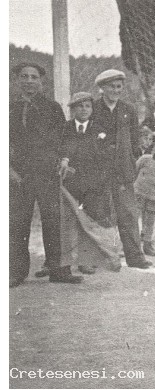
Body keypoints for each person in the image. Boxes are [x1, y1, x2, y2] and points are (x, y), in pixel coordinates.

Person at [9, 62, 84, 286]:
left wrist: (64, 159)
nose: (29, 80)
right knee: (18, 223)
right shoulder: (9, 108)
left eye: (34, 77)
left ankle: (59, 270)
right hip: (19, 175)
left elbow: (65, 139)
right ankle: (15, 272)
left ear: (41, 82)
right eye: (25, 76)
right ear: (17, 80)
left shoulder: (52, 108)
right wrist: (9, 169)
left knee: (54, 221)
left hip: (48, 172)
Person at [90, 69, 152, 269]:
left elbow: (134, 140)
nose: (116, 90)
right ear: (102, 88)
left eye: (119, 87)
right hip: (99, 170)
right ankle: (99, 257)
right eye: (111, 87)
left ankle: (135, 256)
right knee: (99, 213)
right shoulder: (93, 109)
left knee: (128, 213)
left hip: (123, 170)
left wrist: (131, 160)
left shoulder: (128, 109)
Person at [59, 91, 116, 275]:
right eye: (79, 106)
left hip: (92, 183)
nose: (84, 109)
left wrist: (100, 178)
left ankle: (86, 260)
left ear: (92, 109)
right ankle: (65, 260)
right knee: (69, 222)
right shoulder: (65, 128)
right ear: (72, 109)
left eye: (87, 106)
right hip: (70, 183)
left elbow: (106, 156)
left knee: (88, 220)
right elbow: (61, 150)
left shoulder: (99, 129)